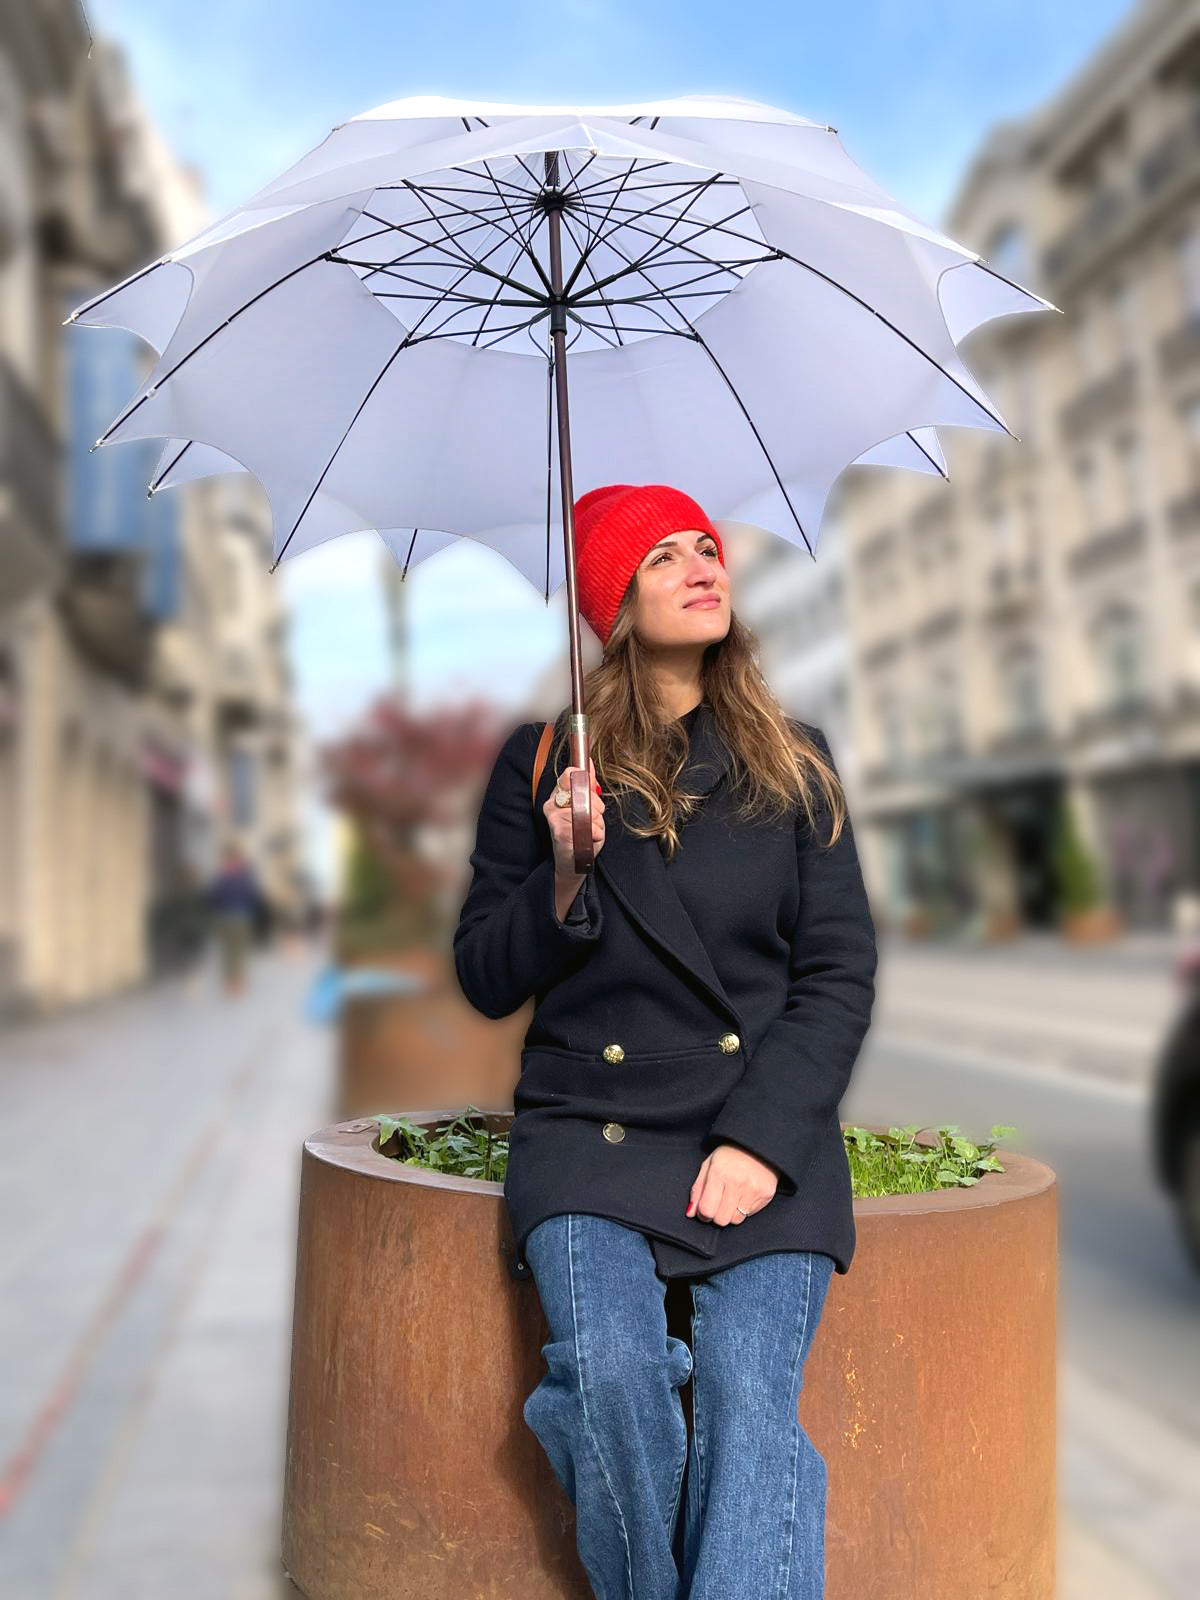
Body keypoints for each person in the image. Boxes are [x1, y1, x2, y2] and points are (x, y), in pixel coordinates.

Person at [453, 483, 878, 1599]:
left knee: (747, 1396)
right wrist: (568, 868)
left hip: (755, 1126)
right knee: (611, 1372)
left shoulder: (797, 760)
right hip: (590, 1136)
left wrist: (761, 1141)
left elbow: (837, 974)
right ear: (613, 604)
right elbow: (485, 976)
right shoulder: (545, 764)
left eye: (706, 547)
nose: (703, 566)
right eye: (661, 558)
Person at [206, 841, 264, 995]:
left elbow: (214, 896)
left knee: (233, 951)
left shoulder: (225, 875)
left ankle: (234, 983)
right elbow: (253, 895)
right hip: (235, 916)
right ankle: (233, 983)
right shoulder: (244, 875)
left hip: (234, 916)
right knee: (233, 952)